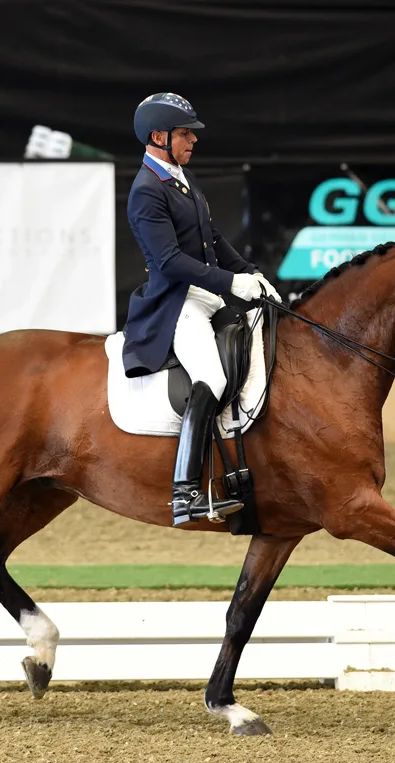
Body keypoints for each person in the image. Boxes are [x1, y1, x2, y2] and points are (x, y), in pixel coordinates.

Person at [121, 92, 282, 527]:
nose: (193, 140)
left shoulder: (181, 178)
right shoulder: (146, 189)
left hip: (205, 296)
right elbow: (170, 262)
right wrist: (232, 283)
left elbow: (214, 239)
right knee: (211, 376)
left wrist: (252, 274)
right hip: (175, 303)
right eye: (185, 133)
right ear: (159, 136)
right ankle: (186, 490)